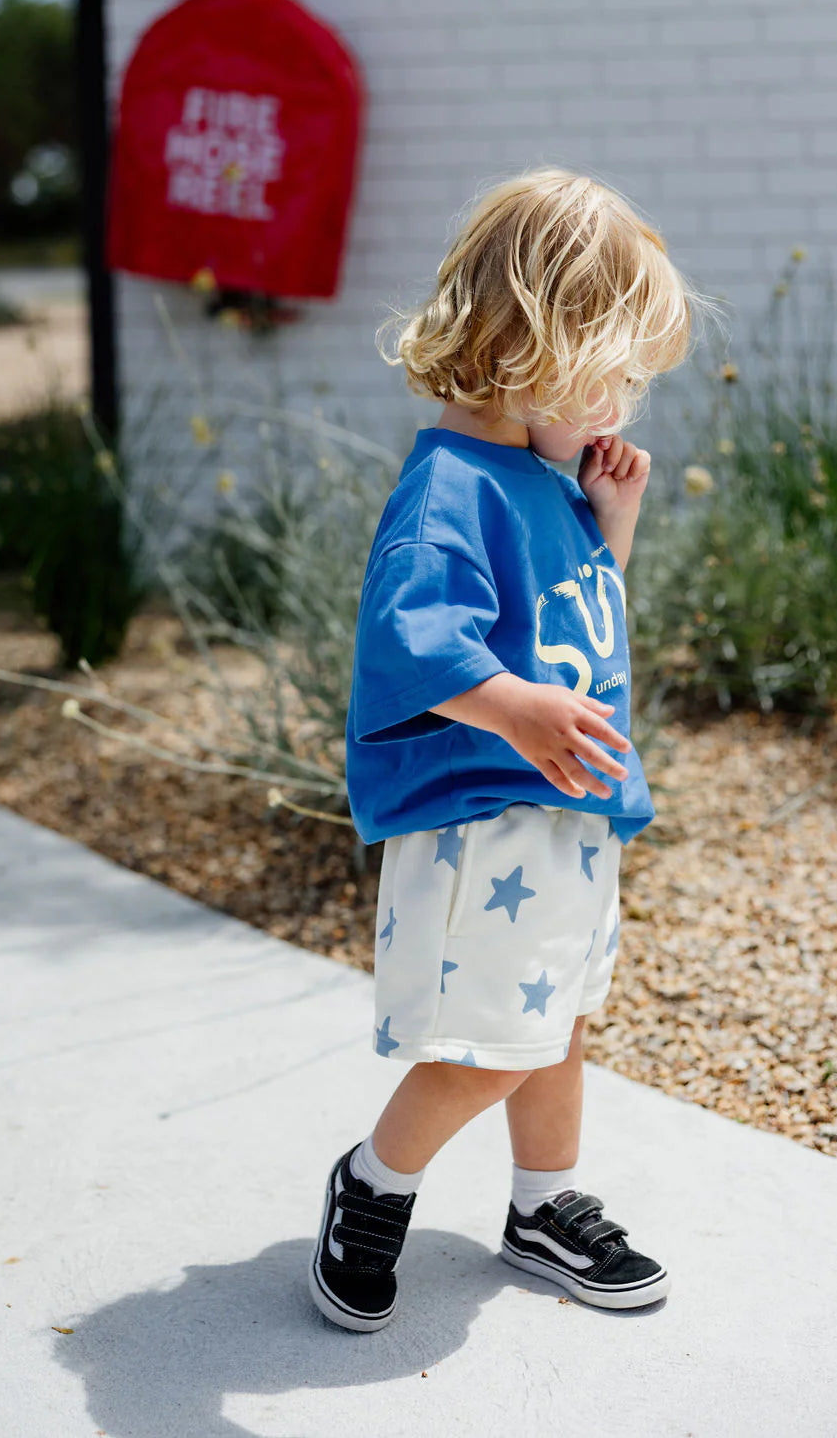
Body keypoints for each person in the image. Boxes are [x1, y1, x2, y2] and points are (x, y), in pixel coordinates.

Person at [309, 165, 715, 1333]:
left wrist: (611, 532)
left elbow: (563, 639)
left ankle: (544, 1202)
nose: (625, 404)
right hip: (488, 814)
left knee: (557, 1023)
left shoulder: (538, 482)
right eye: (617, 372)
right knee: (492, 1042)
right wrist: (519, 709)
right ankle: (373, 1181)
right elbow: (414, 640)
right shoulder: (449, 489)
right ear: (535, 338)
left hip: (561, 808)